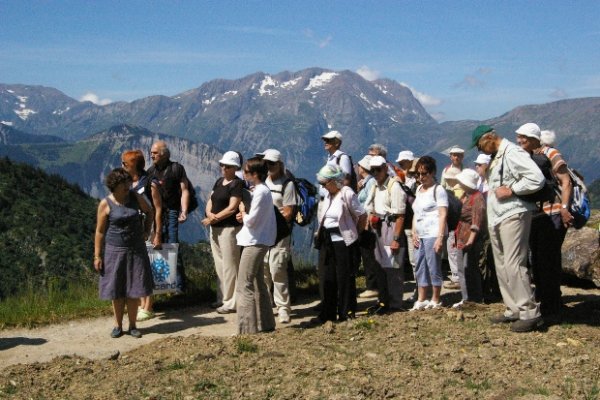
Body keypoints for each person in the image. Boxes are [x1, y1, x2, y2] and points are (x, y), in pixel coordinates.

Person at [471, 124, 545, 332]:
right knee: (502, 263)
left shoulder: (512, 152)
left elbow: (536, 179)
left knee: (514, 263)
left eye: (479, 146)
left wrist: (512, 190)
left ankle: (529, 312)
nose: (480, 151)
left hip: (513, 213)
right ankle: (513, 308)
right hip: (498, 216)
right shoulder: (498, 156)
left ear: (488, 138)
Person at [515, 123, 574, 318]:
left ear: (533, 138)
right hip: (535, 215)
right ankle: (545, 299)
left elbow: (566, 181)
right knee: (538, 259)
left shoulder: (551, 153)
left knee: (548, 258)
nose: (519, 140)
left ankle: (552, 303)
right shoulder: (527, 157)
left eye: (523, 137)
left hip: (553, 213)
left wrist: (564, 209)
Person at [94, 168, 154, 338]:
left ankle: (133, 325)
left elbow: (149, 211)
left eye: (129, 182)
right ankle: (118, 325)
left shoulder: (135, 197)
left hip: (136, 249)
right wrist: (97, 255)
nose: (128, 186)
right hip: (115, 251)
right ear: (115, 185)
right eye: (124, 183)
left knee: (134, 289)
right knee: (117, 290)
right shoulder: (106, 204)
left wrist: (146, 231)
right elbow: (99, 231)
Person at [315, 165, 366, 322]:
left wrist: (355, 234)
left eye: (325, 183)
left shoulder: (347, 194)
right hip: (327, 240)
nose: (323, 186)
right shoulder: (329, 195)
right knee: (327, 276)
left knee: (344, 277)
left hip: (343, 241)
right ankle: (328, 312)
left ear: (334, 181)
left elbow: (362, 215)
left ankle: (346, 312)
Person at [235, 157, 277, 334]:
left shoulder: (260, 192)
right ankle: (266, 323)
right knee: (259, 282)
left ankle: (246, 328)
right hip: (261, 240)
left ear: (254, 174)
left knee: (244, 284)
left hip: (254, 241)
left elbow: (252, 221)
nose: (243, 174)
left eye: (246, 171)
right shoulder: (263, 191)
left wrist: (243, 213)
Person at [121, 150, 163, 321]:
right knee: (133, 268)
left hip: (146, 229)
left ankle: (148, 306)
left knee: (146, 268)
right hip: (131, 230)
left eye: (125, 163)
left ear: (134, 165)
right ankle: (139, 303)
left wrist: (156, 232)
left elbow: (158, 208)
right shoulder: (128, 183)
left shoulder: (150, 183)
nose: (122, 166)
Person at [202, 151, 244, 314]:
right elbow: (210, 200)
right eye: (222, 165)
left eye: (227, 166)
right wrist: (209, 214)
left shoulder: (237, 184)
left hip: (229, 229)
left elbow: (233, 207)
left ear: (234, 168)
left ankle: (231, 301)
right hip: (216, 228)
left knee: (230, 265)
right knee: (219, 263)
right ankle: (221, 298)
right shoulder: (219, 181)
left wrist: (214, 218)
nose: (223, 168)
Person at [147, 141, 190, 293]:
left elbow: (184, 190)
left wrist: (183, 210)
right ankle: (162, 286)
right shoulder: (150, 172)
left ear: (164, 154)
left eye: (155, 153)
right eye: (151, 152)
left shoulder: (176, 169)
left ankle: (179, 287)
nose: (151, 155)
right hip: (155, 212)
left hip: (172, 211)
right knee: (157, 246)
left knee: (172, 246)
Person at [365, 156, 408, 310]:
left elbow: (400, 215)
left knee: (393, 267)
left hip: (391, 226)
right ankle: (383, 301)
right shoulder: (375, 186)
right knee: (380, 266)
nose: (375, 173)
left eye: (378, 169)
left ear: (385, 168)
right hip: (378, 227)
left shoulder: (394, 186)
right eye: (372, 170)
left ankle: (395, 303)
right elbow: (369, 205)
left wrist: (396, 238)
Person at [260, 149, 296, 324]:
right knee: (264, 271)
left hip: (280, 234)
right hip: (263, 233)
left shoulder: (287, 184)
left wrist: (268, 215)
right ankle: (266, 307)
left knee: (277, 270)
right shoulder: (261, 182)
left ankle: (283, 308)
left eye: (272, 163)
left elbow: (288, 212)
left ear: (279, 164)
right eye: (266, 163)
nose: (268, 166)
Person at [410, 156, 448, 311]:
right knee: (419, 265)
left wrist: (440, 237)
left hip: (433, 232)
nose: (421, 177)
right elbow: (416, 212)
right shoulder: (418, 189)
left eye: (424, 174)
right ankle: (421, 298)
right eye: (418, 174)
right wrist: (413, 231)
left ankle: (436, 298)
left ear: (432, 173)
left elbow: (443, 213)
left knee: (433, 265)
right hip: (420, 232)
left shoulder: (438, 190)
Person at [452, 169, 486, 308]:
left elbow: (477, 221)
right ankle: (466, 296)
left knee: (469, 268)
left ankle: (474, 297)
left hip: (470, 238)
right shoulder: (466, 195)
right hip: (461, 236)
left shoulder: (477, 198)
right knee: (462, 268)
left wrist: (471, 239)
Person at [441, 146, 464, 290]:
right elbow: (444, 187)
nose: (456, 158)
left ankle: (459, 275)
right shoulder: (446, 171)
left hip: (460, 212)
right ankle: (456, 274)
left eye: (458, 155)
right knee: (452, 246)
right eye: (454, 155)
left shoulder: (466, 171)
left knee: (456, 246)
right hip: (452, 212)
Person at [395, 150, 418, 302]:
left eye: (404, 162)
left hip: (413, 224)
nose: (402, 165)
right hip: (406, 224)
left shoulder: (416, 181)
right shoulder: (404, 179)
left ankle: (420, 289)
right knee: (410, 259)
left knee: (415, 259)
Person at [356, 155, 379, 300]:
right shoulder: (366, 182)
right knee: (367, 254)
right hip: (364, 221)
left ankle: (373, 285)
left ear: (362, 168)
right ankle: (372, 284)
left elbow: (371, 201)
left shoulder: (371, 183)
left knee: (369, 254)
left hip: (367, 223)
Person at [319, 130, 354, 200]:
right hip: (327, 198)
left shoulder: (343, 158)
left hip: (335, 199)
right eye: (325, 140)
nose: (326, 142)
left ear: (337, 143)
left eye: (328, 140)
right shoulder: (330, 158)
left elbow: (346, 180)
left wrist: (336, 197)